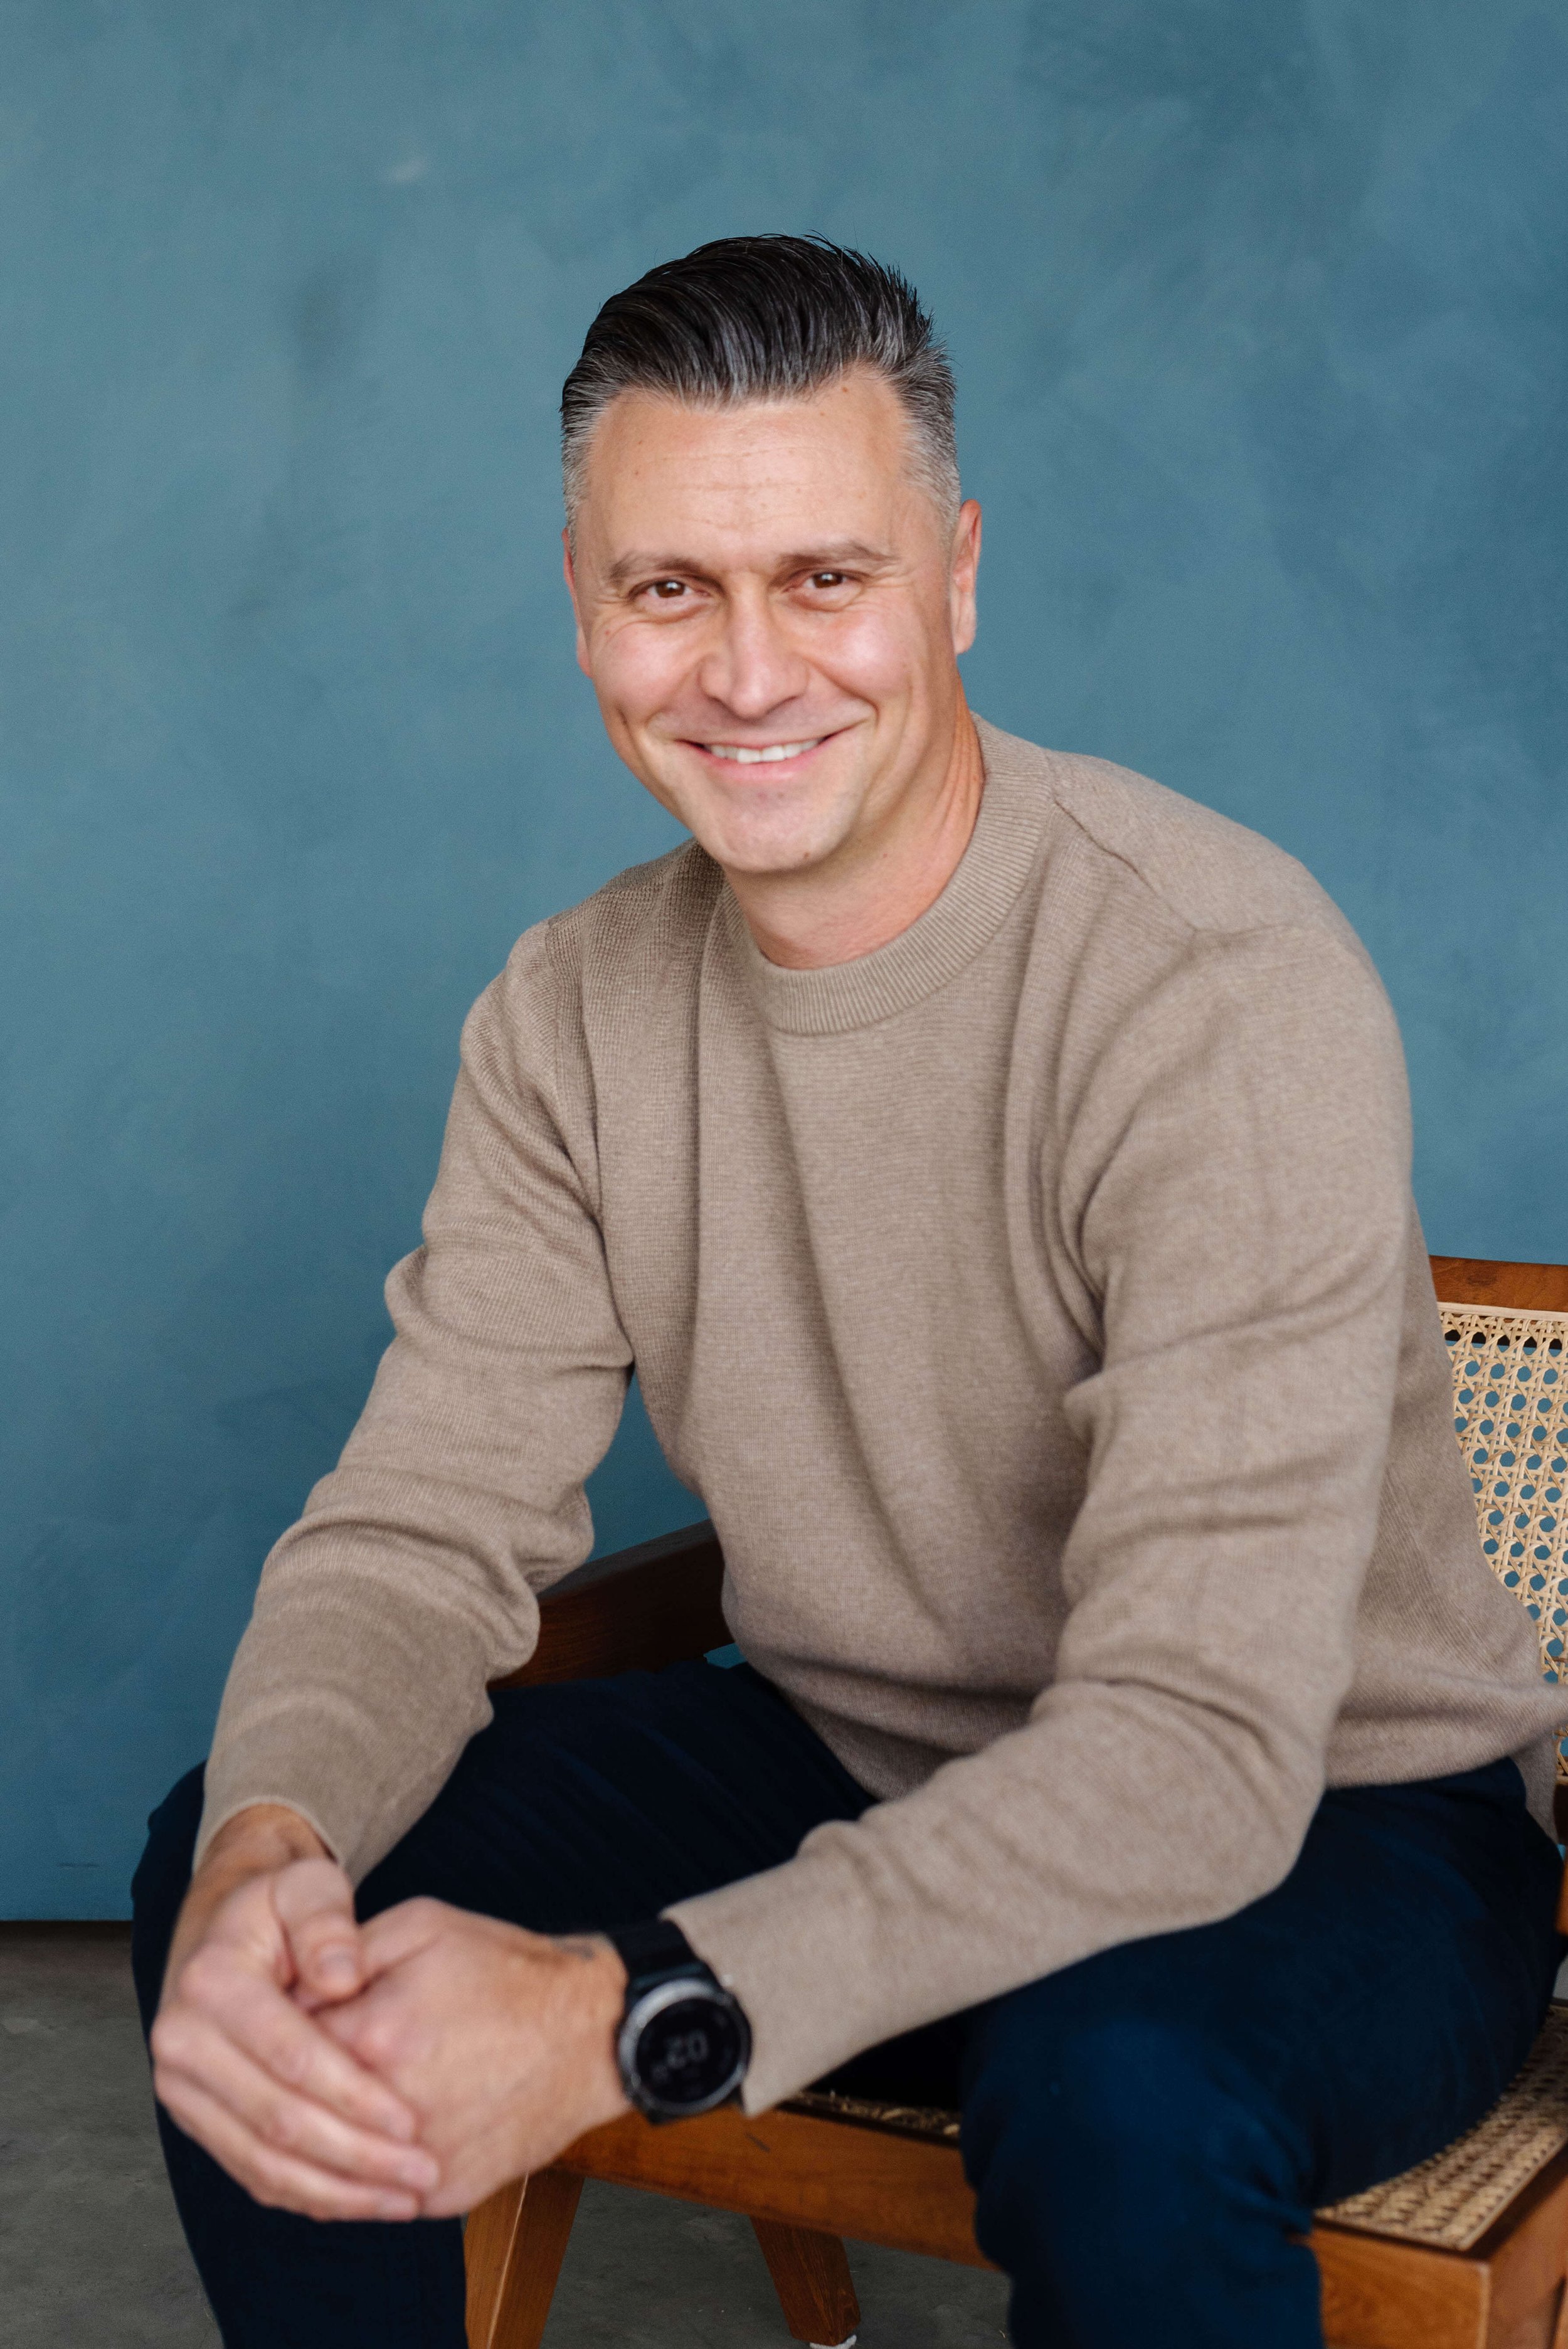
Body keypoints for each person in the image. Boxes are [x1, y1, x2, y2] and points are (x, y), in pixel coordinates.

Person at [132, 236, 1564, 2349]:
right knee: (252, 1875)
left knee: (1118, 2086)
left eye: (825, 578)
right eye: (667, 591)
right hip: (849, 1745)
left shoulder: (1213, 980)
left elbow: (1190, 1744)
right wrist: (276, 1839)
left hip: (1325, 1814)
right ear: (583, 611)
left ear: (955, 577)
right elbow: (423, 1526)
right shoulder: (570, 1009)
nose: (745, 670)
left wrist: (637, 2004)